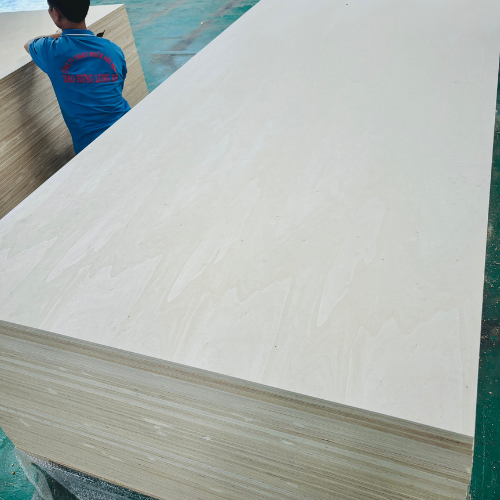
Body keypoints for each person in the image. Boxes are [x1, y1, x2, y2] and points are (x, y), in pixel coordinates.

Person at [24, 0, 131, 154]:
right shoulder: (113, 49)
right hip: (129, 126)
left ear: (56, 13)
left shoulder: (52, 51)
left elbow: (29, 44)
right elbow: (118, 85)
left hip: (91, 149)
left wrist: (58, 35)